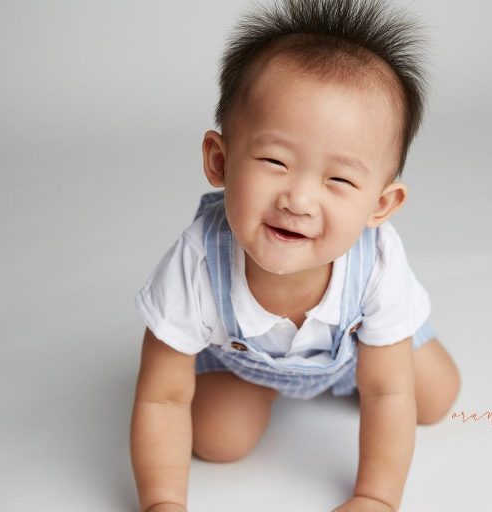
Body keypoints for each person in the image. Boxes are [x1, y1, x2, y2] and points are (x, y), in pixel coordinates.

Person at [130, 0, 461, 510]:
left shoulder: (377, 263)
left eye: (339, 179)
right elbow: (162, 395)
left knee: (435, 397)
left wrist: (376, 498)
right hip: (249, 368)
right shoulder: (197, 262)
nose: (298, 201)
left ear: (381, 204)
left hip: (361, 355)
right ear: (220, 160)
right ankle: (267, 392)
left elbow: (388, 394)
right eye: (274, 161)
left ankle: (368, 365)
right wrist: (161, 503)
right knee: (217, 437)